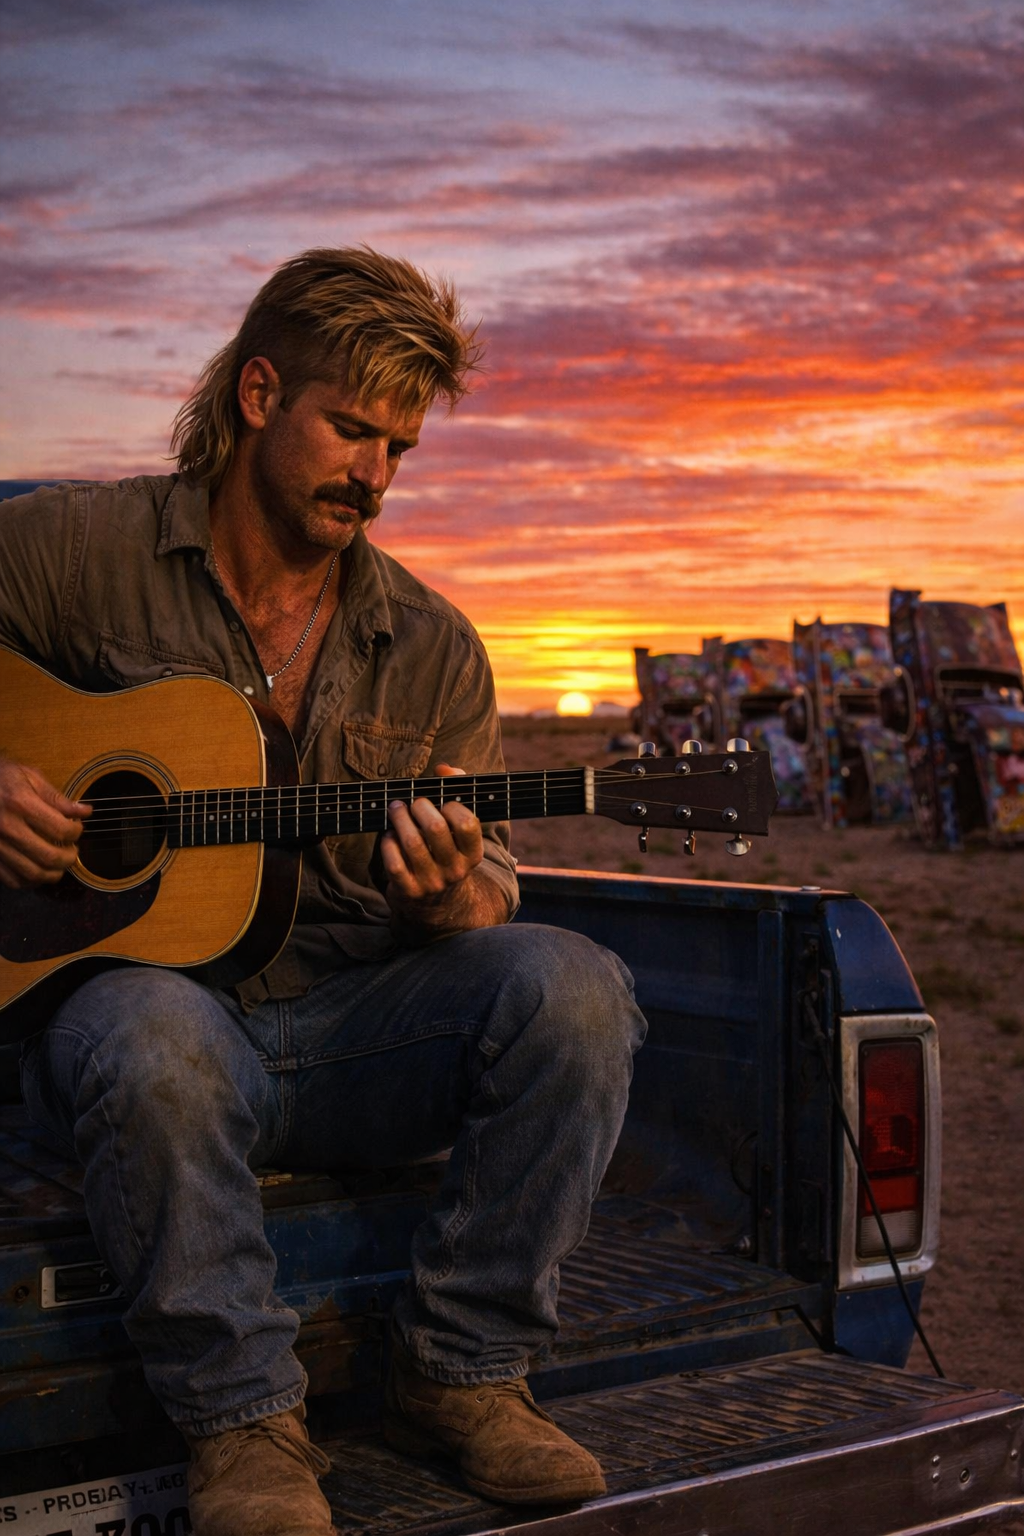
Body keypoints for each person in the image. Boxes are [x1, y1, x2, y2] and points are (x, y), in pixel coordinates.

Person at [0, 248, 647, 1534]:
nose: (375, 474)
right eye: (351, 429)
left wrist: (454, 898)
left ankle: (461, 1376)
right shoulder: (76, 549)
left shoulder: (435, 646)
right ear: (256, 395)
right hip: (153, 1021)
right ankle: (243, 1427)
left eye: (399, 448)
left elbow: (487, 897)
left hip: (357, 1031)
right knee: (148, 1034)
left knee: (576, 990)